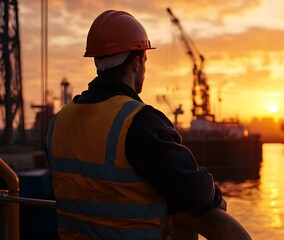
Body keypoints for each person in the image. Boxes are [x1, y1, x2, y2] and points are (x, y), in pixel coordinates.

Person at [45, 10, 229, 240]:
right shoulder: (140, 122)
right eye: (145, 60)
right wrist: (216, 197)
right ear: (136, 63)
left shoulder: (59, 122)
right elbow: (194, 193)